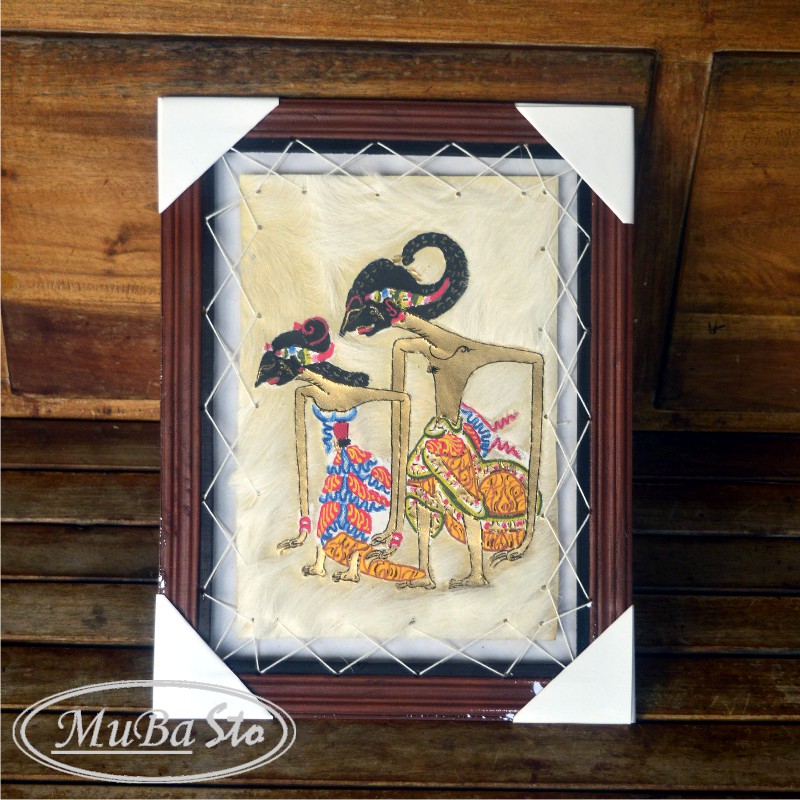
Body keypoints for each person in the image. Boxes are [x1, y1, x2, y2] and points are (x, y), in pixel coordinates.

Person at [340, 233, 544, 589]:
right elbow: (401, 401)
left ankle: (477, 572)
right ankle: (425, 571)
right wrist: (392, 525)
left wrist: (526, 536)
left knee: (467, 504)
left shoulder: (458, 347)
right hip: (435, 438)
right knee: (420, 496)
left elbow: (535, 361)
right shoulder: (409, 347)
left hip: (452, 444)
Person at [255, 317, 422, 584]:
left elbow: (401, 399)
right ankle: (322, 562)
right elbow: (301, 452)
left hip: (353, 460)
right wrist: (303, 528)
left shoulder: (344, 392)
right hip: (334, 461)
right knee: (331, 509)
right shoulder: (307, 392)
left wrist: (395, 529)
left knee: (359, 509)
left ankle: (355, 563)